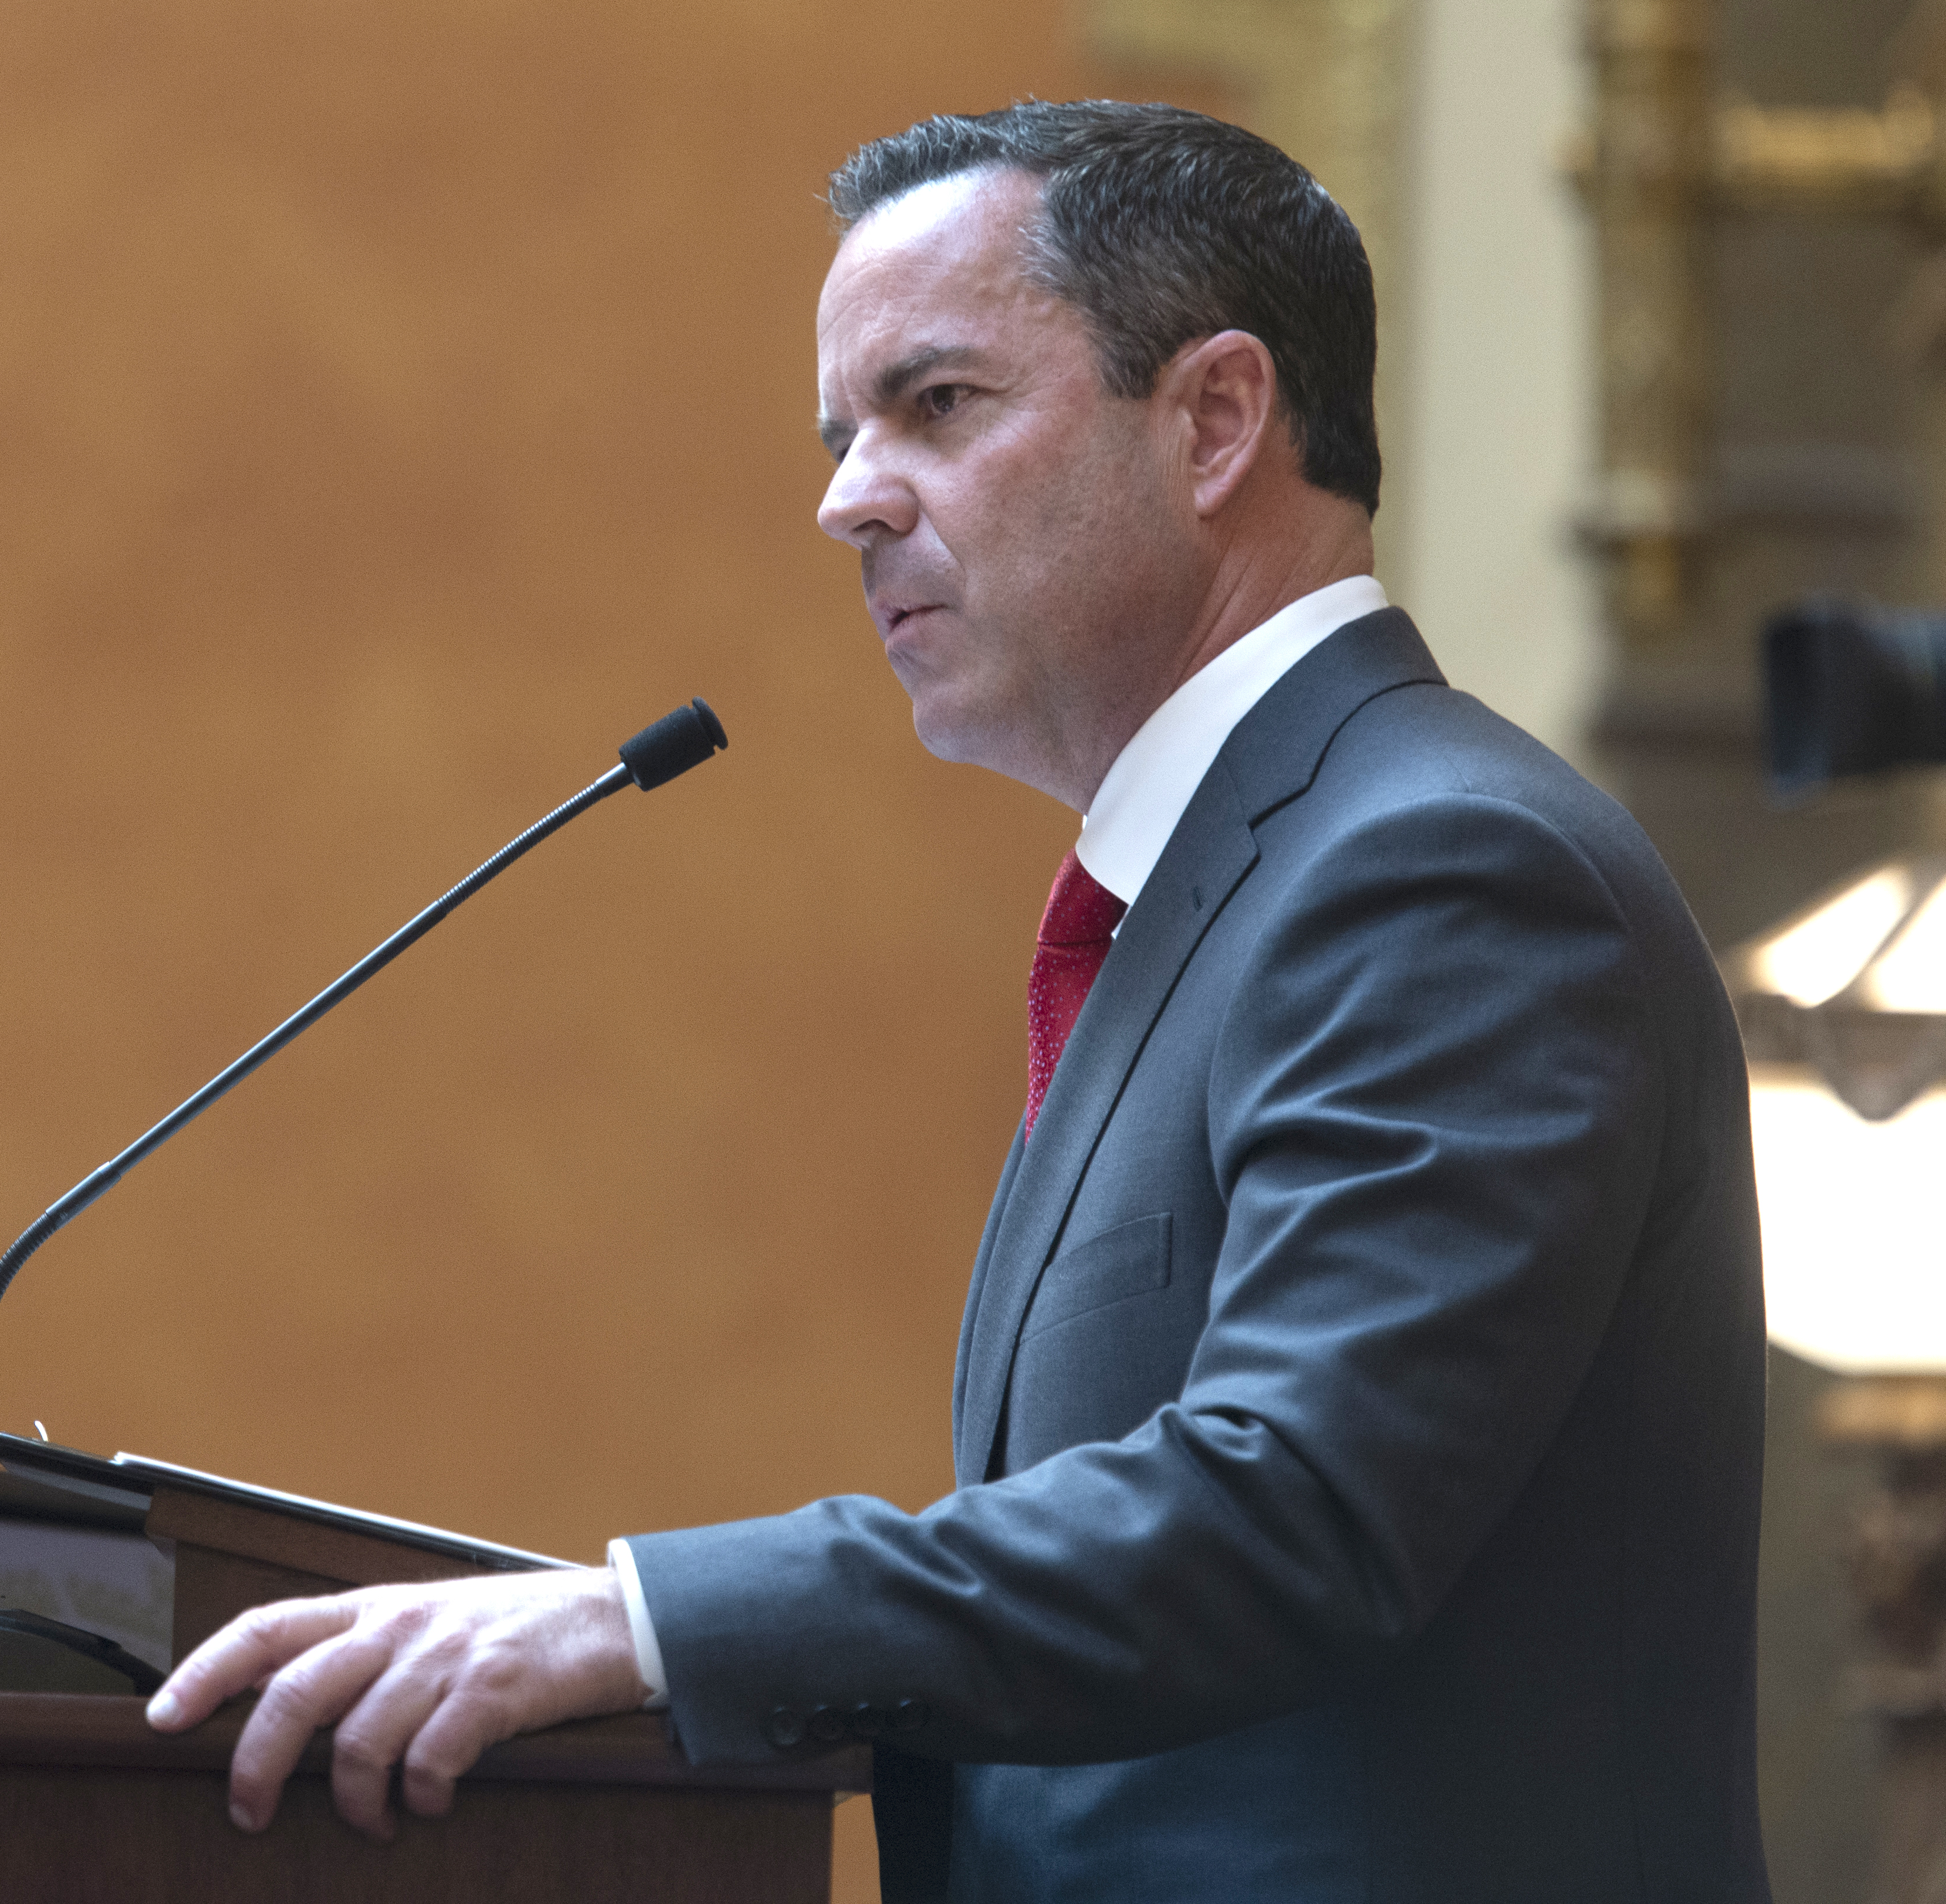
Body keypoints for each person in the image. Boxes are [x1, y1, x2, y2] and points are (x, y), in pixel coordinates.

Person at [146, 101, 1771, 1902]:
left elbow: (1289, 1515)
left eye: (935, 405)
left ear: (1217, 421)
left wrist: (649, 1624)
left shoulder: (1449, 871)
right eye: (843, 432)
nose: (846, 496)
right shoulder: (1221, 897)